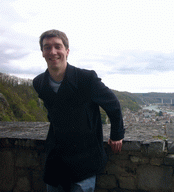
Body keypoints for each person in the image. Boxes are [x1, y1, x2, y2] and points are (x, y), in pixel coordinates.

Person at [33, 29, 125, 192]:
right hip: (56, 158)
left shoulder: (86, 79)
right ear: (42, 53)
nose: (53, 52)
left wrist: (117, 135)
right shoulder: (39, 83)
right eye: (47, 47)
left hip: (85, 157)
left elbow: (113, 105)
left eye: (57, 46)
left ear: (67, 51)